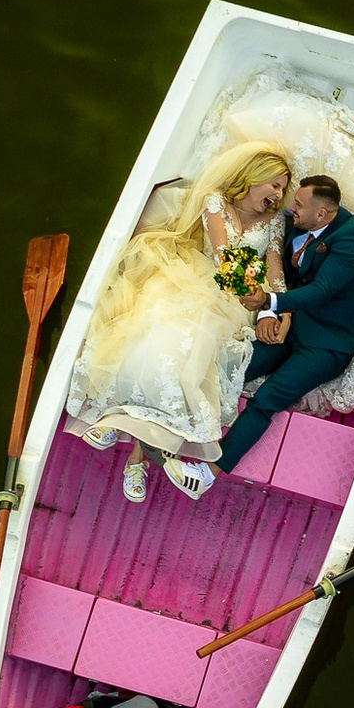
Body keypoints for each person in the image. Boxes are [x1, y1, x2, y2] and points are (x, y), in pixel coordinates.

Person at [66, 142, 292, 501]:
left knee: (193, 355)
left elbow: (275, 269)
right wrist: (250, 292)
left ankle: (128, 443)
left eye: (282, 188)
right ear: (254, 178)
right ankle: (125, 425)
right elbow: (221, 257)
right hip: (202, 277)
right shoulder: (217, 201)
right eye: (275, 184)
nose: (279, 194)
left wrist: (278, 308)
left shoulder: (275, 221)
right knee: (160, 330)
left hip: (238, 301)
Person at [216, 174, 354, 473]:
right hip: (293, 325)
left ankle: (211, 470)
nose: (291, 208)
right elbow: (280, 269)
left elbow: (321, 291)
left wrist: (268, 303)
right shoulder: (299, 221)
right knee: (235, 369)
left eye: (298, 204)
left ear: (321, 214)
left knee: (268, 397)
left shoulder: (353, 243)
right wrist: (274, 315)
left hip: (327, 342)